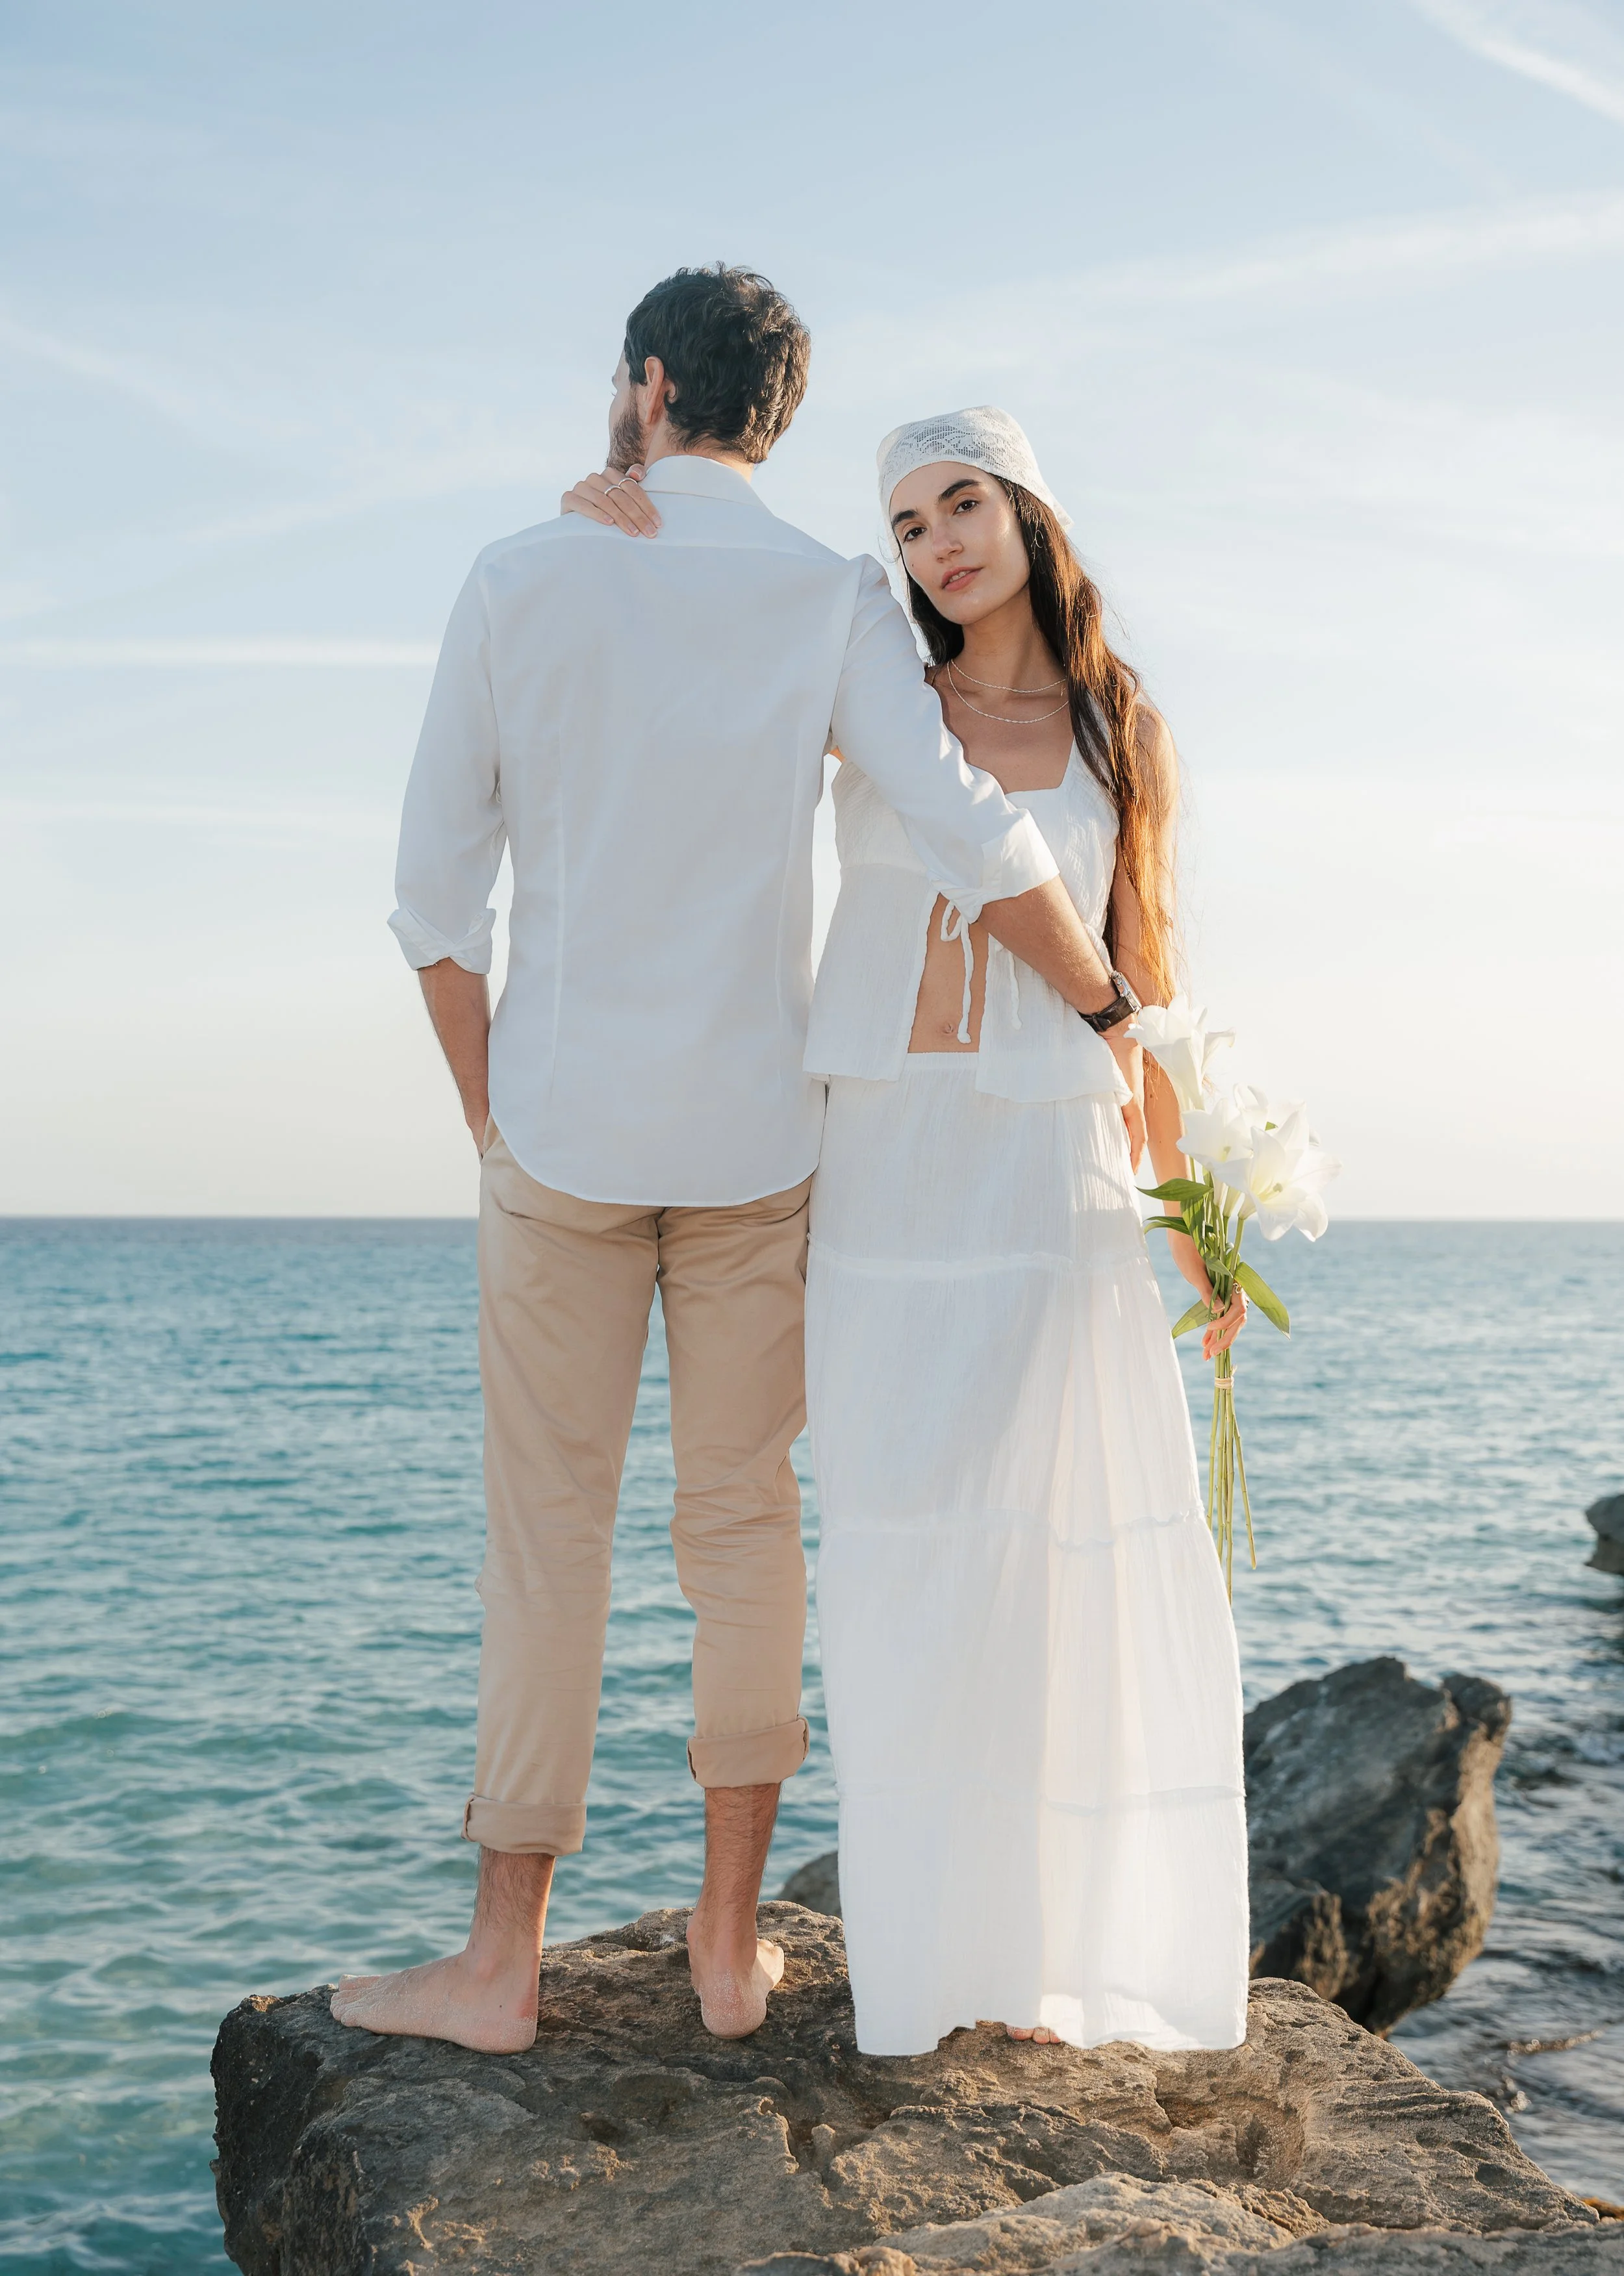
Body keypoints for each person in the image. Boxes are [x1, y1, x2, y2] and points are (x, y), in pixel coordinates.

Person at [332, 279, 1134, 2056]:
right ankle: (720, 1950)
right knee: (743, 1535)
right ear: (777, 413)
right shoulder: (829, 595)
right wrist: (1114, 1012)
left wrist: (494, 1117)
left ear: (644, 388)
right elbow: (960, 821)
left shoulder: (518, 578)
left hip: (559, 1132)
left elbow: (428, 903)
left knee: (547, 1542)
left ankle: (496, 1969)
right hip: (759, 1141)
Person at [569, 404, 1249, 2059]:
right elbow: (682, 675)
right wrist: (621, 498)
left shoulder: (1116, 727)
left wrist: (1192, 1219)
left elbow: (1134, 986)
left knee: (1043, 1566)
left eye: (963, 505)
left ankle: (1056, 1968)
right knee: (898, 1558)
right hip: (877, 1174)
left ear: (1025, 514)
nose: (938, 543)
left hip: (1045, 1184)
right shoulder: (866, 688)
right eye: (907, 524)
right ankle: (932, 1964)